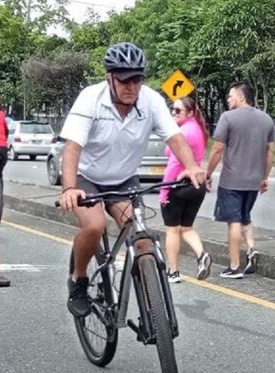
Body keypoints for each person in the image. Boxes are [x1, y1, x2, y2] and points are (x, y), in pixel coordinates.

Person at [58, 42, 206, 317]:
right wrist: (68, 188)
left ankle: (154, 312)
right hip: (86, 177)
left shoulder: (150, 100)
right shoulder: (91, 98)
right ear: (109, 78)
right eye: (124, 80)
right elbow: (72, 147)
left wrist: (192, 166)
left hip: (124, 181)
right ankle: (78, 280)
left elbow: (174, 137)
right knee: (94, 225)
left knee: (143, 242)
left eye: (136, 79)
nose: (131, 87)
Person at [205, 82, 275, 279]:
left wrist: (208, 172)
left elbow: (217, 149)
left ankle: (234, 266)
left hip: (232, 180)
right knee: (245, 216)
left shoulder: (228, 118)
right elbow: (270, 152)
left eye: (230, 96)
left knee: (233, 221)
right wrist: (264, 176)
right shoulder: (266, 120)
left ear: (241, 97)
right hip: (253, 180)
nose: (228, 100)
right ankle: (252, 249)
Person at [159, 96, 211, 283]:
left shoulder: (182, 133)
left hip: (178, 185)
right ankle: (201, 254)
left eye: (178, 110)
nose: (174, 113)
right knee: (186, 228)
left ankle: (173, 271)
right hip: (197, 185)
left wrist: (164, 192)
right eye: (172, 109)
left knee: (172, 231)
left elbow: (173, 165)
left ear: (189, 113)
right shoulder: (198, 129)